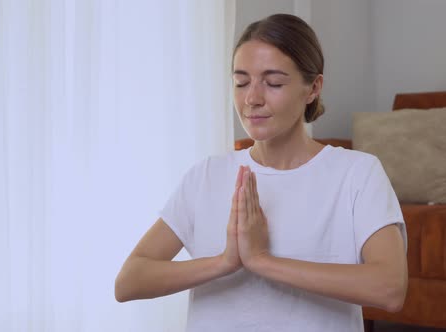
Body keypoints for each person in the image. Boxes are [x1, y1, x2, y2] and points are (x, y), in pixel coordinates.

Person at [115, 13, 407, 332]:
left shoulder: (356, 174)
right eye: (241, 82)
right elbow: (130, 281)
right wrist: (224, 262)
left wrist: (262, 261)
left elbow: (389, 288)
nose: (252, 99)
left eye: (273, 83)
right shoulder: (207, 175)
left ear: (313, 89)